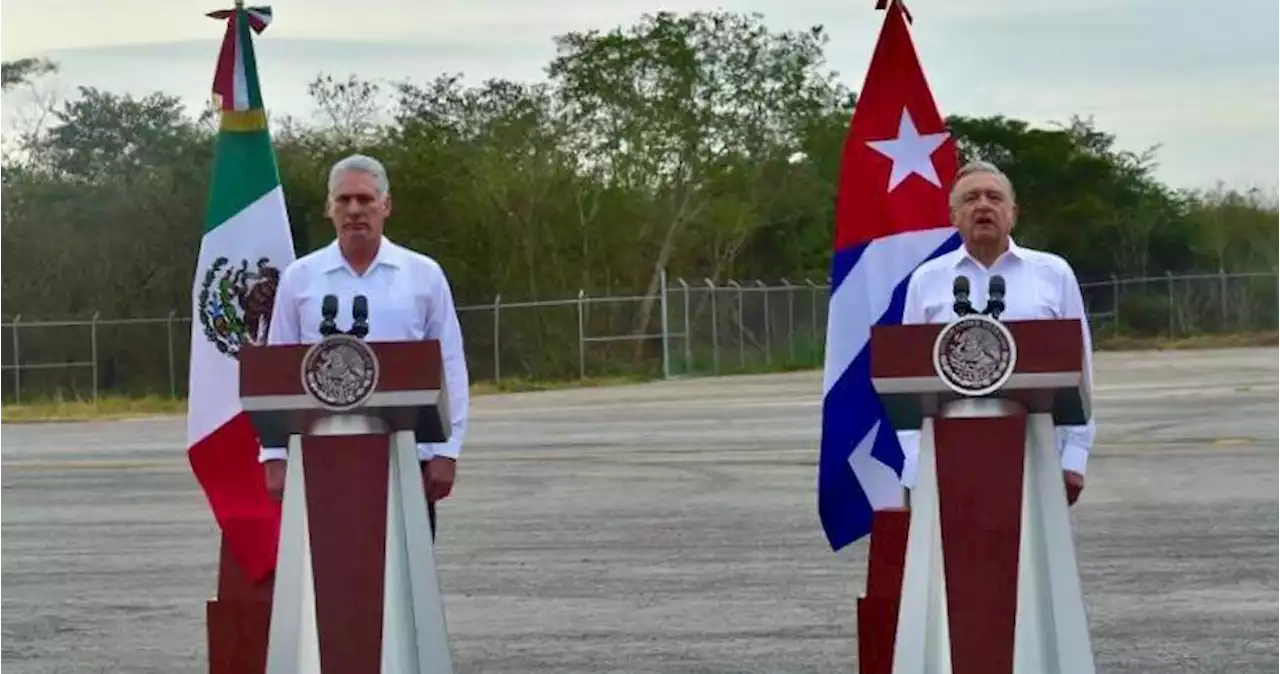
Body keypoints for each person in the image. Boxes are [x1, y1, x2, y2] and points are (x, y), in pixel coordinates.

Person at [260, 153, 470, 535]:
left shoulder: (423, 275)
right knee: (328, 580)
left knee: (405, 582)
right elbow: (278, 370)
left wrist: (447, 450)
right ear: (330, 208)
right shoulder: (300, 278)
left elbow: (450, 366)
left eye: (365, 199)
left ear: (385, 206)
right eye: (344, 200)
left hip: (407, 456)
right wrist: (274, 454)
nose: (354, 209)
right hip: (321, 457)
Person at [897, 159, 1095, 506]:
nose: (984, 206)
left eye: (994, 197)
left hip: (1037, 453)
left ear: (1013, 212)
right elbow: (905, 380)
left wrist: (1074, 455)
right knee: (949, 561)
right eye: (971, 199)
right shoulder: (926, 280)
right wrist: (916, 461)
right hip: (945, 456)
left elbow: (1081, 369)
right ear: (953, 216)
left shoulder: (1053, 273)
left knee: (1034, 559)